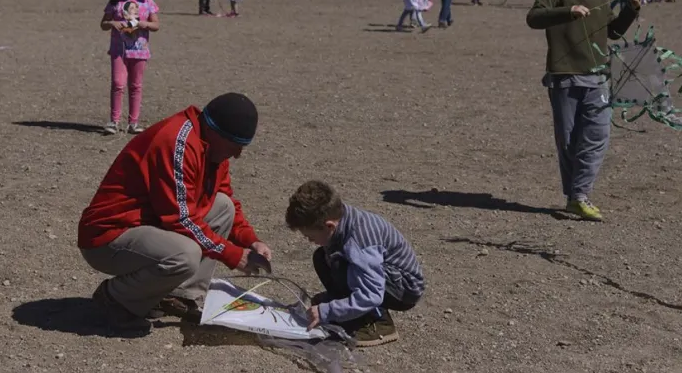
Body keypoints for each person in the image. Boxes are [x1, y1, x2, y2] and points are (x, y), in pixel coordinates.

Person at [78, 92, 272, 331]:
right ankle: (115, 298)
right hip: (108, 237)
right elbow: (180, 219)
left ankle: (180, 295)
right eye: (235, 146)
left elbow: (224, 195)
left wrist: (251, 241)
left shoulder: (213, 149)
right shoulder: (177, 143)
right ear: (215, 132)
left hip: (148, 226)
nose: (237, 154)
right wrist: (232, 254)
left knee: (223, 206)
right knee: (184, 255)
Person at [526, 0, 641, 221]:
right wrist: (568, 11)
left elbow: (612, 33)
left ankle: (580, 195)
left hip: (598, 78)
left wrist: (631, 10)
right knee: (568, 141)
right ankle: (573, 196)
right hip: (564, 79)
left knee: (598, 136)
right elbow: (534, 18)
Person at [286, 180, 424, 347]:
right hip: (383, 278)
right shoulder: (340, 217)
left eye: (310, 236)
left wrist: (326, 312)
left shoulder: (359, 243)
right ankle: (349, 307)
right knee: (322, 257)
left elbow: (372, 295)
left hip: (404, 289)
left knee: (341, 265)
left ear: (329, 226)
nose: (309, 240)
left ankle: (379, 322)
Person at [100, 0, 159, 135]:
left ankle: (133, 122)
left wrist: (144, 24)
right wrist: (112, 23)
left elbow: (156, 25)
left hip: (139, 50)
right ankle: (114, 121)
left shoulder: (146, 1)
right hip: (119, 50)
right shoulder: (115, 2)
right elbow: (103, 24)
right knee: (118, 84)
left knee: (135, 86)